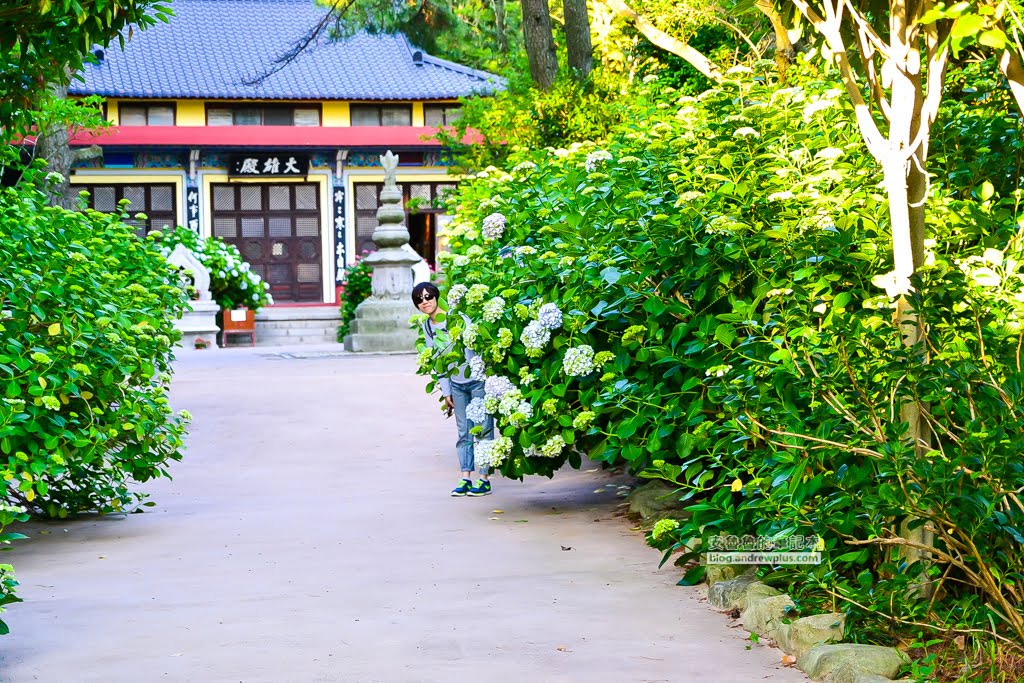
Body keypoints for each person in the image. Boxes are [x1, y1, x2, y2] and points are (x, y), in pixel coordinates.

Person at [413, 282, 494, 497]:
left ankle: (484, 479)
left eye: (428, 297)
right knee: (463, 432)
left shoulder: (457, 318)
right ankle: (465, 477)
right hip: (457, 385)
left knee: (483, 429)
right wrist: (446, 391)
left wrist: (482, 376)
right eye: (419, 299)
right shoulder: (428, 326)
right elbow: (437, 360)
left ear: (436, 297)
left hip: (476, 380)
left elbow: (474, 346)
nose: (424, 302)